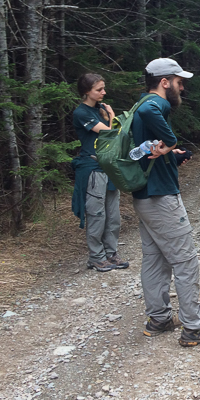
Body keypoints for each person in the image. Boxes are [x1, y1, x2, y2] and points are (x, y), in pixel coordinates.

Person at [132, 58, 200, 347]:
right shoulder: (153, 104)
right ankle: (195, 328)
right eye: (179, 82)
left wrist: (170, 153)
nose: (182, 87)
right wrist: (171, 141)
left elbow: (148, 146)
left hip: (145, 196)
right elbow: (156, 120)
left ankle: (159, 318)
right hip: (161, 198)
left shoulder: (139, 104)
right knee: (185, 261)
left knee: (154, 259)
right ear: (165, 82)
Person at [71, 73, 129, 273]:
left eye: (104, 88)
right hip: (93, 168)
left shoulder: (99, 110)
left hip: (109, 167)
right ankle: (96, 257)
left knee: (113, 216)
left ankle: (111, 254)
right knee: (97, 214)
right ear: (87, 91)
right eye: (99, 89)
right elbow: (109, 133)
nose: (103, 93)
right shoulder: (82, 113)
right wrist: (112, 116)